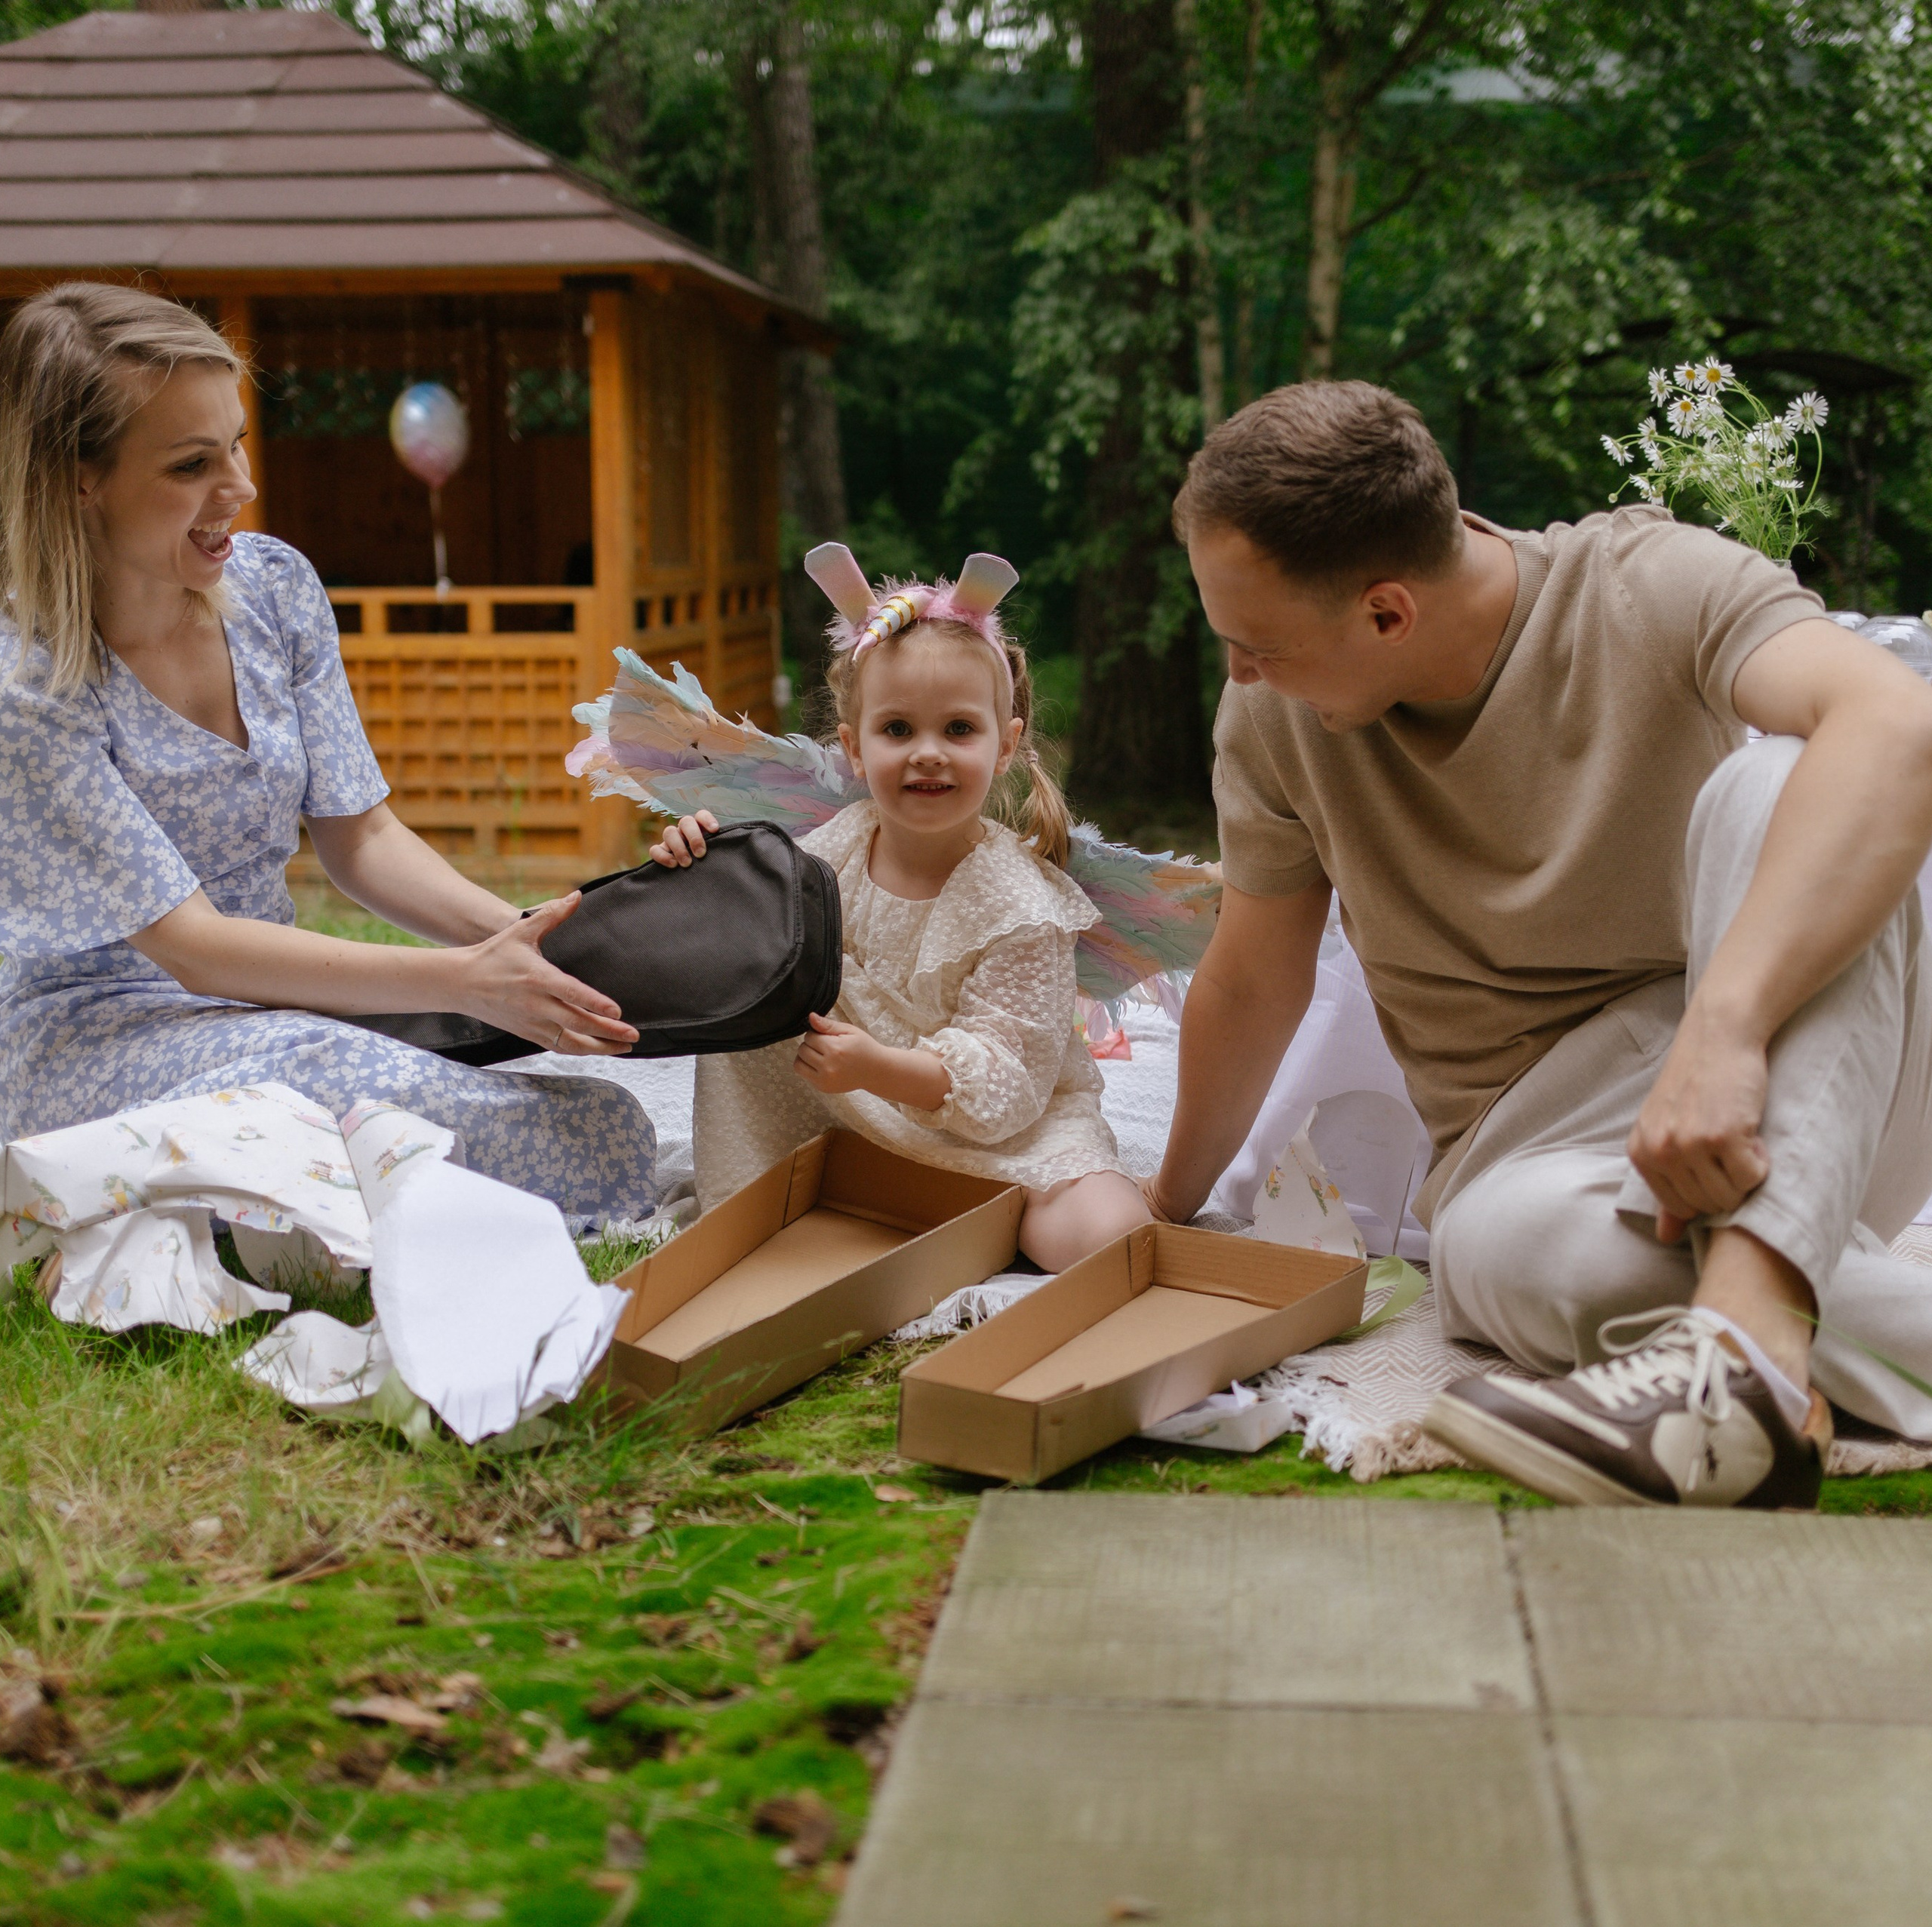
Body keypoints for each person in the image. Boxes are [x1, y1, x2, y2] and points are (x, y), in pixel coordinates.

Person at [1145, 379, 1932, 1510]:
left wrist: (1722, 1036)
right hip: (1535, 1157)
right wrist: (1163, 1208)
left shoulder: (1651, 584)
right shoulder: (1274, 723)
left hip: (1786, 1079)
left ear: (1386, 613)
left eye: (1256, 644)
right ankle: (1754, 1343)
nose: (1240, 671)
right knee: (1496, 1253)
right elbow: (1252, 979)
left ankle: (1740, 1347)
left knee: (1784, 777)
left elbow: (1898, 721)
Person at [0, 281, 705, 1221]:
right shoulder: (28, 688)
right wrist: (463, 982)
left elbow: (362, 839)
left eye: (236, 444)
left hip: (270, 1004)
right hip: (92, 1040)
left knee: (582, 1109)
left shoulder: (275, 588)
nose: (240, 487)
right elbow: (195, 949)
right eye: (192, 464)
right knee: (368, 1080)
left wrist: (534, 942)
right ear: (78, 479)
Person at [670, 546, 1152, 1271]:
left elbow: (1008, 1086)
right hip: (852, 1117)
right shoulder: (829, 855)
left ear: (1006, 746)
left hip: (998, 1134)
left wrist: (880, 1068)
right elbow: (737, 935)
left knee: (1109, 1233)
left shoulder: (1021, 905)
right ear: (854, 750)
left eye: (959, 729)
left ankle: (989, 1209)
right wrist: (695, 862)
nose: (928, 753)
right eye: (898, 730)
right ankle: (843, 1194)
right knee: (751, 982)